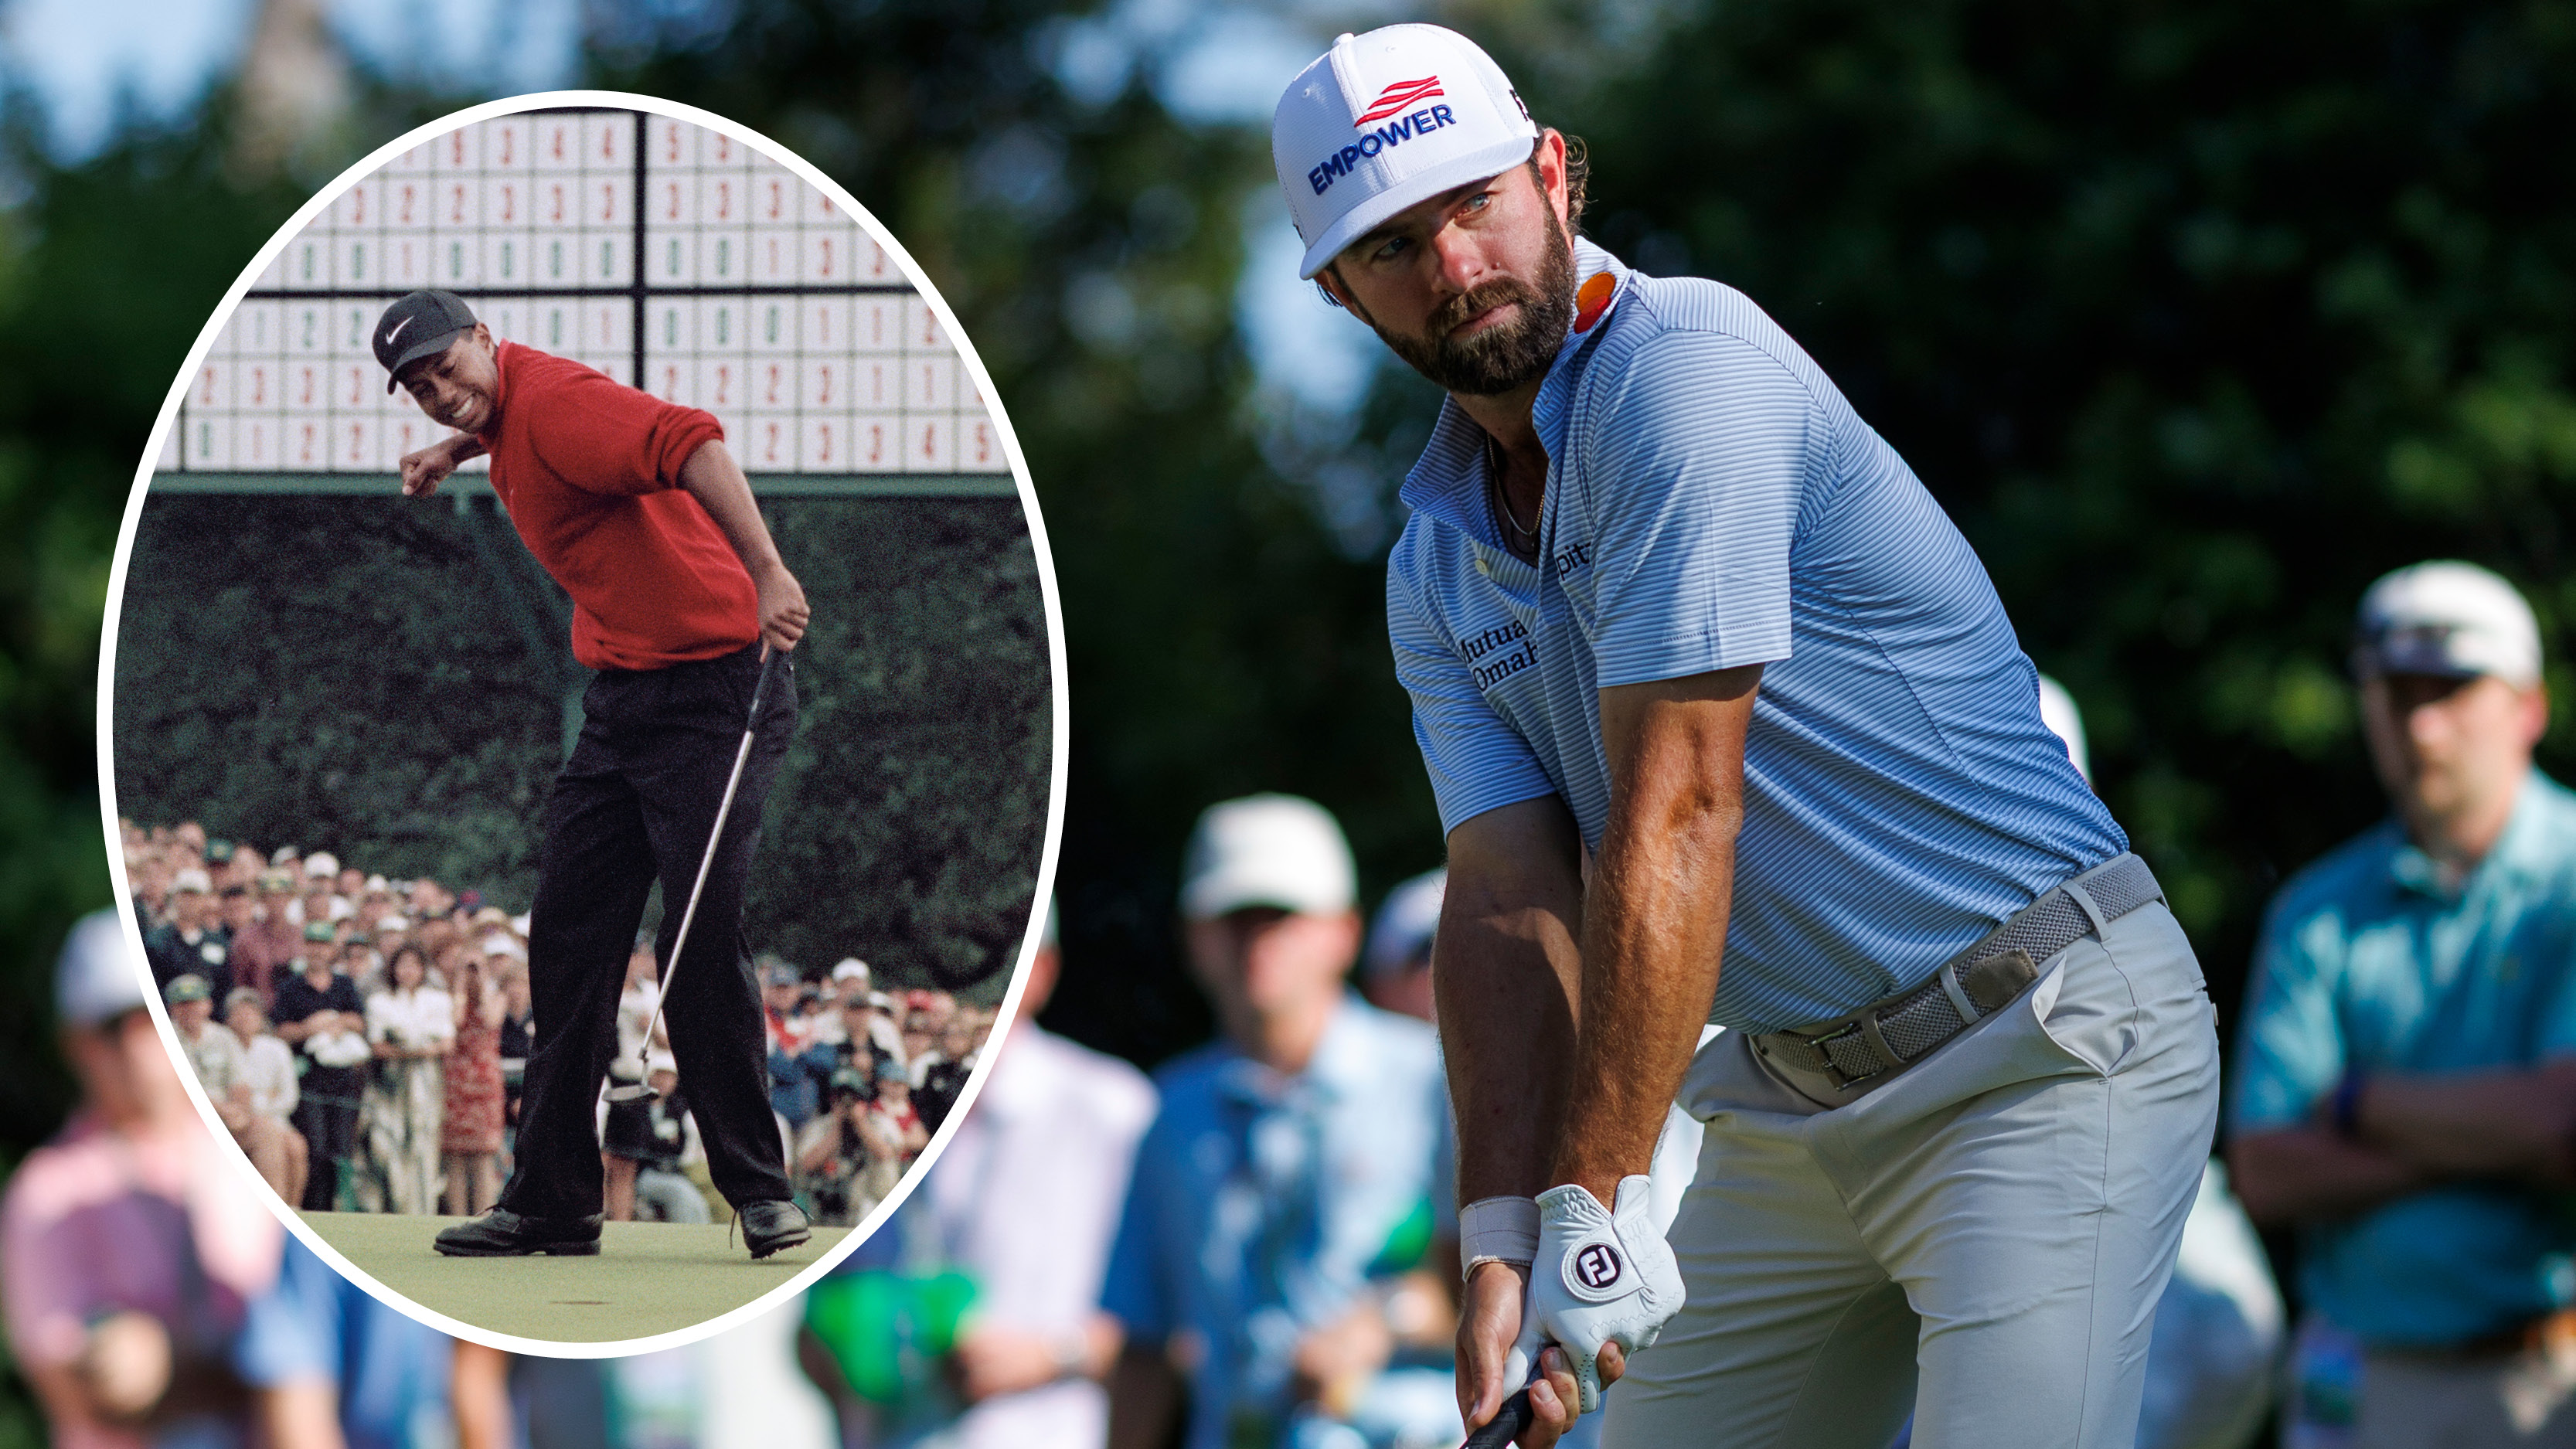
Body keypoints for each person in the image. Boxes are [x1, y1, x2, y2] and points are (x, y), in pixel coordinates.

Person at [1271, 26, 2219, 1447]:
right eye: (1393, 246)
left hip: (2034, 1041)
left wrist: (1588, 1214)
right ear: (1343, 294)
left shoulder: (1680, 370)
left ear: (1552, 175)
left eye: (1474, 203)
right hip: (1787, 1100)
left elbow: (1679, 813)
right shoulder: (1432, 564)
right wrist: (1497, 1236)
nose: (1454, 267)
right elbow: (1506, 899)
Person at [380, 287, 815, 1260]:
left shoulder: (561, 400)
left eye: (445, 367)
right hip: (623, 704)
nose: (438, 392)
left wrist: (769, 571)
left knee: (700, 938)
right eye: (416, 389)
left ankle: (761, 1193)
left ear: (487, 340)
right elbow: (514, 435)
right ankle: (553, 1204)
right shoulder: (505, 414)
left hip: (716, 692)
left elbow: (691, 439)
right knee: (569, 940)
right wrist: (454, 450)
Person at [2229, 562, 2576, 1447]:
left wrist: (2360, 1104)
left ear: (2529, 708)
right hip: (2356, 1386)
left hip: (2545, 1381)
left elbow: (2563, 1127)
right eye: (2394, 692)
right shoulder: (2317, 907)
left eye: (2453, 691)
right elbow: (2267, 1170)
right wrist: (2497, 1140)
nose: (2420, 724)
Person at [1103, 795, 1458, 1449]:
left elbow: (1496, 1279)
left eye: (1281, 916)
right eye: (1232, 919)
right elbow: (1143, 1339)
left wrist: (1384, 1321)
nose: (1255, 942)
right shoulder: (1172, 1112)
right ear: (1193, 940)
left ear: (1343, 932)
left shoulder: (1435, 1081)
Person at [803, 903, 1155, 1449]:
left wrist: (1052, 1354)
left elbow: (1174, 1326)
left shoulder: (1111, 1110)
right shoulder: (889, 1107)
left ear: (1042, 969)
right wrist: (848, 1343)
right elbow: (812, 1334)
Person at [3, 910, 284, 1449]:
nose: (140, 1043)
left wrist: (170, 1366)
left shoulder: (235, 1153)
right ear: (78, 1043)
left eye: (151, 1017)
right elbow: (86, 1393)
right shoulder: (47, 1194)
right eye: (117, 1026)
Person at [166, 973, 293, 1198]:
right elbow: (178, 1092)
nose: (190, 1010)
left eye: (195, 1003)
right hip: (185, 1120)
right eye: (183, 1005)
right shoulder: (164, 1039)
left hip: (227, 1118)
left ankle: (276, 1208)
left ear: (207, 1005)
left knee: (268, 1132)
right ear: (173, 1009)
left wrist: (240, 1113)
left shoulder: (223, 1038)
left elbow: (240, 1084)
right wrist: (221, 1110)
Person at [271, 925, 368, 1213]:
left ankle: (340, 1209)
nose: (317, 950)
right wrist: (308, 1028)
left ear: (331, 950)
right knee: (315, 1146)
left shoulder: (344, 984)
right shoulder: (291, 986)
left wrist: (337, 1023)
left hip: (343, 1078)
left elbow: (359, 1020)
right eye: (312, 944)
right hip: (308, 1078)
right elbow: (281, 1030)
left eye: (323, 945)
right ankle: (315, 1209)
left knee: (341, 1150)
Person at [360, 942, 454, 1214]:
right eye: (403, 964)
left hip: (425, 1081)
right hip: (389, 1082)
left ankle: (422, 1208)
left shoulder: (438, 1000)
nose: (408, 971)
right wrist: (412, 1050)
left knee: (423, 1142)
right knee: (386, 1143)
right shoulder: (379, 1001)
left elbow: (446, 1043)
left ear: (423, 969)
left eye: (414, 965)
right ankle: (389, 1206)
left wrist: (417, 1050)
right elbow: (378, 1047)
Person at [441, 948, 509, 1217]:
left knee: (483, 1158)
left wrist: (482, 984)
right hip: (455, 1081)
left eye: (476, 967)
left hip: (485, 1082)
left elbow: (491, 1019)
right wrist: (459, 986)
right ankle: (458, 1219)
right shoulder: (449, 997)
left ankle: (483, 1218)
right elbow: (456, 1022)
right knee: (455, 1157)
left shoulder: (497, 996)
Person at [226, 988, 308, 1207]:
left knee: (296, 1146)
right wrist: (262, 1099)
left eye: (251, 1013)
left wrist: (255, 1103)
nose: (245, 1019)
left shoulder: (277, 1048)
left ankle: (294, 1210)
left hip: (275, 1119)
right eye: (239, 1013)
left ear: (261, 1018)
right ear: (229, 1018)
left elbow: (289, 1097)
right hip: (234, 1122)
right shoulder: (223, 1046)